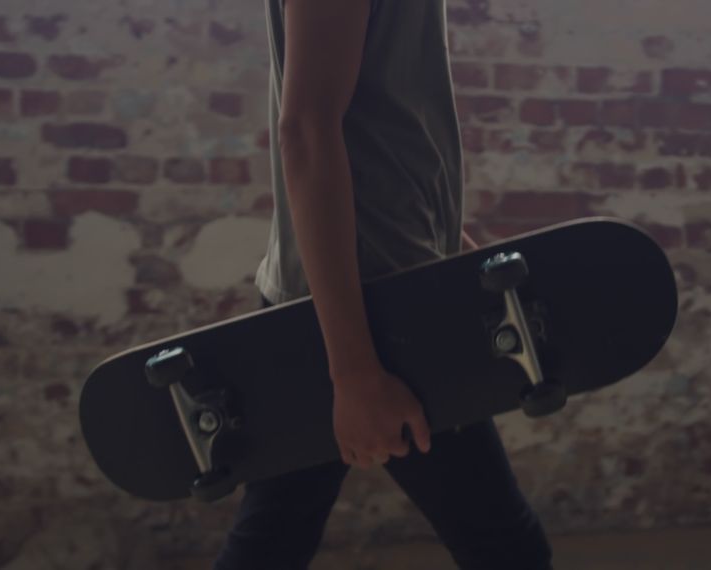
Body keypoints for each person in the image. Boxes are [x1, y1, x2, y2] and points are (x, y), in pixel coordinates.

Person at [213, 1, 553, 568]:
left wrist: (461, 263)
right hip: (381, 308)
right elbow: (306, 132)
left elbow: (388, 137)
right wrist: (352, 371)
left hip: (377, 287)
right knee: (506, 549)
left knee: (274, 536)